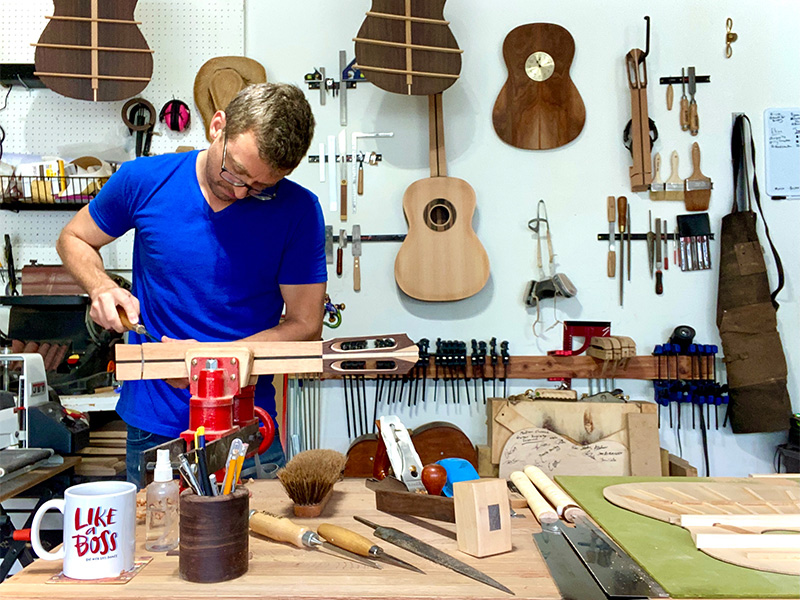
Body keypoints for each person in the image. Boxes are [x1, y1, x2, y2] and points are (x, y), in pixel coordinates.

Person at [57, 83, 327, 488]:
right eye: (234, 171)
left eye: (259, 188)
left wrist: (204, 360)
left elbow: (306, 324)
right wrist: (100, 286)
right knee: (157, 549)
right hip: (156, 431)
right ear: (217, 126)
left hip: (249, 431)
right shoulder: (142, 180)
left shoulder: (298, 210)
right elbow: (74, 238)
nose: (239, 192)